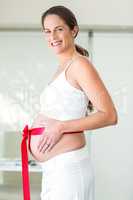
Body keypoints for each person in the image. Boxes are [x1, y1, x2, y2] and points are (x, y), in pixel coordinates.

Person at [30, 5, 118, 200]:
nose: (52, 36)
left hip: (68, 169)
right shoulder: (62, 67)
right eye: (47, 31)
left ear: (74, 30)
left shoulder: (80, 65)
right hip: (53, 169)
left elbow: (110, 115)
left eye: (59, 29)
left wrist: (60, 127)